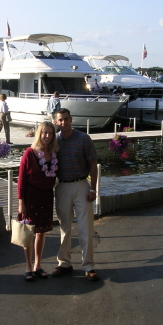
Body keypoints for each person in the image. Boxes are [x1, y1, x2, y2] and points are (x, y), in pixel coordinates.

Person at [52, 108, 100, 281]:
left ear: (71, 120)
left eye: (66, 119)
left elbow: (93, 164)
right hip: (62, 185)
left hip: (81, 185)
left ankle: (88, 266)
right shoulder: (54, 141)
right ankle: (64, 263)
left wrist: (93, 189)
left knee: (85, 227)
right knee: (64, 227)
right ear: (56, 122)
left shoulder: (83, 139)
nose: (63, 122)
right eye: (60, 120)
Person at [17, 121, 59, 281]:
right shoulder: (29, 153)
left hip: (46, 196)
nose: (47, 136)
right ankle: (28, 266)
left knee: (41, 232)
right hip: (30, 196)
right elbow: (21, 179)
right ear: (39, 134)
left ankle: (38, 265)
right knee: (28, 232)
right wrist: (21, 201)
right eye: (44, 132)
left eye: (50, 133)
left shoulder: (54, 153)